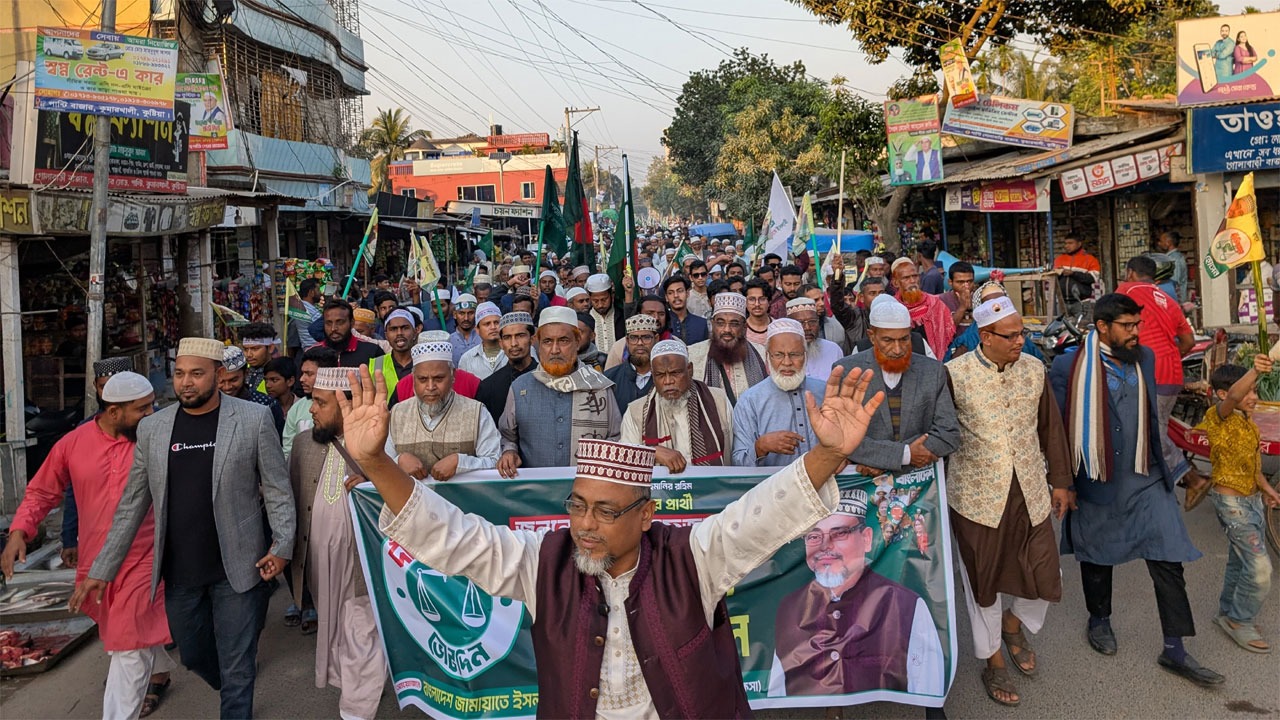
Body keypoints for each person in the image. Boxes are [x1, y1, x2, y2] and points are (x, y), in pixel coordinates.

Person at [335, 358, 885, 717]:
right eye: (577, 507)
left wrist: (830, 454)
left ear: (646, 515)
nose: (585, 526)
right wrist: (377, 462)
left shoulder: (692, 559)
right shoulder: (544, 563)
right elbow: (452, 537)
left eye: (604, 511)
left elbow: (764, 513)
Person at [79, 337, 296, 719]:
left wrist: (281, 546)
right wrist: (102, 570)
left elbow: (277, 489)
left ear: (218, 374)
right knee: (193, 653)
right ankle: (231, 683)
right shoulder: (154, 428)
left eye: (196, 373)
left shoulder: (251, 419)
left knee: (237, 659)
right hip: (180, 572)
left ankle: (235, 699)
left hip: (239, 565)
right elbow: (132, 505)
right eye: (179, 374)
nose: (186, 383)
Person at [1049, 294, 1222, 687]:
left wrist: (1178, 467)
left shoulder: (1143, 358)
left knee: (1169, 557)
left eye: (1137, 325)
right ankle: (1099, 620)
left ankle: (1175, 649)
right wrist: (1064, 483)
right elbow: (1058, 430)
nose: (1136, 333)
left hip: (1145, 478)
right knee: (1097, 556)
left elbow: (1153, 419)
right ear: (1102, 327)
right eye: (1127, 326)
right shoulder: (1067, 366)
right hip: (1096, 476)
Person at [5, 372, 175, 720]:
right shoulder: (72, 444)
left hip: (147, 557)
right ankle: (158, 668)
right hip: (96, 560)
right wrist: (19, 531)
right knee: (130, 632)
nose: (151, 413)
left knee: (127, 642)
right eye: (142, 408)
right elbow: (42, 491)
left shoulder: (157, 437)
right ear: (113, 412)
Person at [946, 298, 1074, 706]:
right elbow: (941, 436)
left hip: (1031, 490)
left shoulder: (1035, 369)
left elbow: (1051, 427)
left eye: (1023, 333)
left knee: (1044, 573)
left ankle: (1014, 623)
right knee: (983, 583)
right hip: (976, 498)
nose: (1022, 340)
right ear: (985, 337)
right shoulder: (954, 375)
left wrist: (1060, 481)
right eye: (1013, 335)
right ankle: (994, 660)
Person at [768, 487, 944, 697]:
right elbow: (777, 690)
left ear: (867, 538)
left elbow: (928, 687)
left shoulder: (905, 605)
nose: (824, 546)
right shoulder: (788, 609)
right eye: (814, 536)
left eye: (840, 533)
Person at [287, 367, 388, 719]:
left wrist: (375, 473)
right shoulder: (302, 444)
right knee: (339, 636)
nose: (311, 409)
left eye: (319, 402)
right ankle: (357, 689)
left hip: (361, 566)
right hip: (319, 568)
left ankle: (355, 711)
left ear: (345, 404)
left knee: (361, 633)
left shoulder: (380, 446)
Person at [1196, 358, 1280, 653]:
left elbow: (1252, 465)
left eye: (1255, 390)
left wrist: (1268, 490)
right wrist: (1255, 369)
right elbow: (1233, 396)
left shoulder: (1247, 423)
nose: (1254, 397)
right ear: (1222, 394)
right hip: (1232, 505)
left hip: (1252, 501)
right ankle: (1239, 620)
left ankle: (1227, 614)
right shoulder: (1219, 415)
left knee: (1239, 561)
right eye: (1249, 392)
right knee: (1260, 569)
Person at [834, 295, 960, 475]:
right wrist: (905, 455)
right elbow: (840, 437)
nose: (898, 349)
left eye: (904, 339)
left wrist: (882, 459)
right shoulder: (848, 371)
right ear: (871, 336)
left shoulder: (932, 371)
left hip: (922, 485)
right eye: (888, 341)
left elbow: (949, 434)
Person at [1117, 255, 1201, 505]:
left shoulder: (1125, 291)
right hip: (1172, 371)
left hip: (1148, 372)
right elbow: (1188, 342)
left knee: (1148, 432)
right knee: (1154, 429)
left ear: (1130, 272)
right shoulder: (1168, 299)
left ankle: (1191, 478)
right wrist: (1171, 356)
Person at [498, 306, 623, 473]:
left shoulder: (599, 386)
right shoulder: (521, 388)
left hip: (588, 491)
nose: (555, 350)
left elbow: (616, 437)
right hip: (536, 492)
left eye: (564, 341)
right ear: (538, 343)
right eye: (548, 341)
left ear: (577, 342)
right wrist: (509, 452)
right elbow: (508, 436)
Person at [390, 341, 501, 481]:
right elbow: (380, 464)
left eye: (438, 378)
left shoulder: (476, 412)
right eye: (423, 379)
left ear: (453, 375)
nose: (430, 387)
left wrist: (460, 462)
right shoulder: (397, 414)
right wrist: (399, 461)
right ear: (413, 379)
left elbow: (494, 461)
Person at [620, 339, 733, 471]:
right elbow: (624, 461)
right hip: (660, 491)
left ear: (689, 370)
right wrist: (651, 453)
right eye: (660, 375)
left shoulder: (718, 400)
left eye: (675, 373)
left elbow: (735, 453)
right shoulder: (636, 411)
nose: (668, 381)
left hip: (714, 489)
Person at [732, 319, 827, 466]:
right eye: (778, 355)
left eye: (795, 354)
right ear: (768, 357)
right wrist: (760, 447)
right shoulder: (750, 401)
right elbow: (738, 462)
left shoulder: (825, 391)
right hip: (774, 487)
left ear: (805, 356)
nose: (787, 362)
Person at [689, 292, 769, 404]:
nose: (726, 330)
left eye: (734, 324)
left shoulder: (762, 353)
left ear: (744, 327)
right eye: (720, 323)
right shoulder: (692, 354)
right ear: (713, 324)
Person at [476, 312, 537, 423]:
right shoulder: (488, 387)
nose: (514, 343)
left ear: (532, 339)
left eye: (520, 335)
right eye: (507, 337)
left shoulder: (548, 380)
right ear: (501, 343)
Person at [891, 257, 955, 359]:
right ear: (896, 283)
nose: (912, 281)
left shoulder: (935, 304)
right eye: (906, 278)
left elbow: (947, 333)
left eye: (915, 276)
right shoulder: (892, 307)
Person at [283, 346, 338, 462]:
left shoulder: (342, 405)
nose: (302, 379)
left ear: (328, 374)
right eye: (302, 373)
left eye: (309, 374)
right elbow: (288, 451)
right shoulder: (296, 409)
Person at [220, 346, 285, 436]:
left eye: (233, 380)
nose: (227, 387)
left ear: (246, 374)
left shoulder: (266, 404)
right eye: (221, 382)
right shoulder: (207, 405)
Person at [605, 315, 658, 411]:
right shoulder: (610, 379)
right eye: (634, 338)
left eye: (646, 337)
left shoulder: (666, 378)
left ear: (656, 339)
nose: (640, 343)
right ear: (627, 341)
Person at [786, 297, 843, 382]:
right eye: (800, 323)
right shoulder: (782, 354)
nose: (807, 328)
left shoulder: (833, 349)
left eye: (812, 322)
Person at [367, 308, 417, 397]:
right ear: (386, 335)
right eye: (393, 329)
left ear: (415, 332)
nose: (399, 333)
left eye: (405, 328)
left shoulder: (424, 363)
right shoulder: (376, 365)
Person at [321, 298, 386, 367]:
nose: (333, 328)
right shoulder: (312, 354)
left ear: (352, 323)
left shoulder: (373, 351)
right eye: (328, 323)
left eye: (340, 322)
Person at [457, 301, 506, 380]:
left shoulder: (515, 351)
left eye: (496, 322)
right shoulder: (467, 359)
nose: (493, 327)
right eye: (487, 324)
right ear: (477, 330)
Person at [1052, 233, 1102, 300]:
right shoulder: (1059, 259)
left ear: (1079, 244)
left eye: (1070, 243)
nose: (1067, 246)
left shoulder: (1090, 259)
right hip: (1062, 301)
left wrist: (1073, 273)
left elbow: (1092, 279)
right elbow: (1054, 279)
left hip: (1082, 301)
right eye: (1066, 243)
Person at [586, 274, 625, 355]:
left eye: (604, 299)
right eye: (595, 301)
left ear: (612, 295)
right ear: (589, 298)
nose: (600, 305)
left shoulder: (622, 315)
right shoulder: (585, 320)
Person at [663, 276, 709, 346]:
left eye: (680, 291)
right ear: (666, 297)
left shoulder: (701, 323)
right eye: (671, 293)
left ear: (687, 293)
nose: (676, 295)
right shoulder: (662, 323)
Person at [238, 322, 279, 393]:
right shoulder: (241, 371)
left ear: (270, 348)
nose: (249, 354)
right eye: (245, 349)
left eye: (255, 349)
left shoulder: (279, 373)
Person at [939, 261, 976, 333]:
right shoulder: (942, 301)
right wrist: (963, 307)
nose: (966, 286)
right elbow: (945, 331)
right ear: (950, 282)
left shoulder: (979, 298)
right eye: (960, 282)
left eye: (969, 281)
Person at [1157, 231, 1189, 303]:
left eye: (1161, 241)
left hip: (1175, 300)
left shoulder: (1174, 259)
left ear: (1168, 243)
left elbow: (1174, 282)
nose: (1159, 244)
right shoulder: (1171, 257)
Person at [449, 294, 482, 365]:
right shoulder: (448, 341)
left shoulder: (484, 337)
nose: (466, 318)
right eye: (462, 313)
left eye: (470, 313)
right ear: (455, 314)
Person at [293, 279, 325, 352]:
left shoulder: (302, 306)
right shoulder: (307, 309)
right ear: (311, 292)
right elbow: (325, 324)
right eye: (318, 290)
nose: (320, 293)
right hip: (315, 348)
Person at [744, 277, 774, 347]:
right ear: (745, 302)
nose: (757, 304)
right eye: (752, 299)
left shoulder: (778, 328)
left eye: (762, 299)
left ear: (769, 302)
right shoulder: (740, 330)